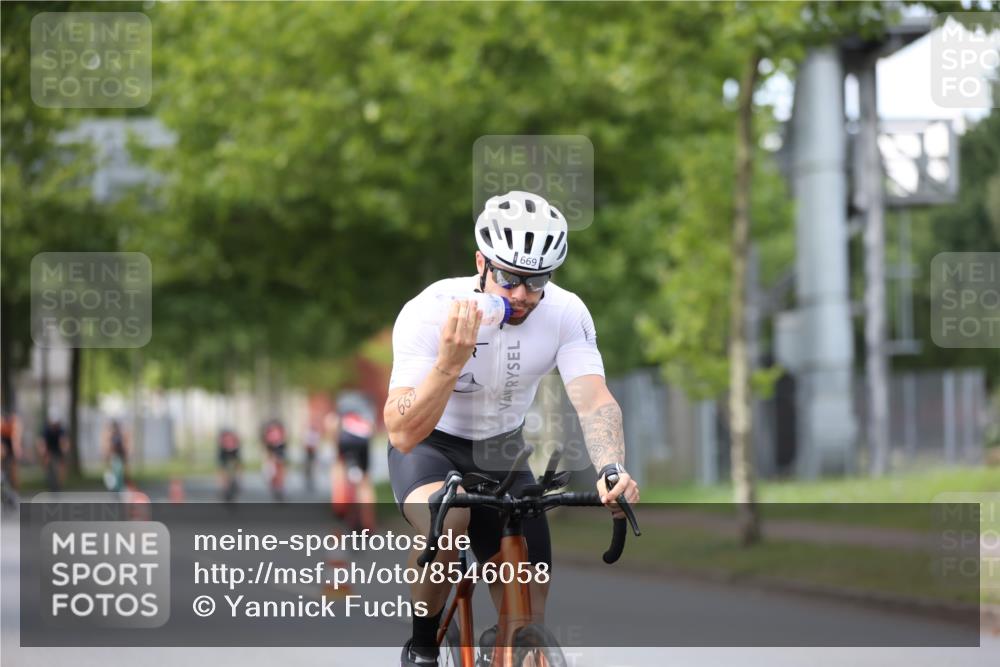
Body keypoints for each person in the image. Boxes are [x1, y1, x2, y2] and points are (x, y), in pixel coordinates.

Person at [385, 191, 640, 666]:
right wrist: (448, 363)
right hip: (430, 446)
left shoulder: (566, 313)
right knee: (450, 523)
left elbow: (593, 397)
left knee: (526, 614)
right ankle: (422, 646)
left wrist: (611, 466)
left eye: (536, 280)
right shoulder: (431, 310)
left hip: (503, 452)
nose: (521, 294)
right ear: (481, 262)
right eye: (508, 277)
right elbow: (402, 431)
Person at [331, 405, 376, 530]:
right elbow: (372, 431)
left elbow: (332, 427)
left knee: (339, 468)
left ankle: (339, 506)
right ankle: (368, 522)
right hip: (363, 443)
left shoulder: (342, 415)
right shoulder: (365, 415)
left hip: (345, 442)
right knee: (365, 482)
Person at [37, 412, 69, 492]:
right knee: (49, 469)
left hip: (58, 451)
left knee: (60, 469)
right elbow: (42, 442)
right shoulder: (46, 430)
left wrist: (64, 452)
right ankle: (51, 484)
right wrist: (44, 454)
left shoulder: (61, 430)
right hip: (48, 451)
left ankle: (59, 486)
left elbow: (64, 442)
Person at [261, 418, 288, 500]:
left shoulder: (280, 440)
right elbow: (267, 447)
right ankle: (275, 485)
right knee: (271, 471)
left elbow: (282, 443)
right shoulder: (268, 436)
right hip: (271, 454)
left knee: (279, 470)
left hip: (279, 452)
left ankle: (279, 486)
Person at [102, 420, 130, 492]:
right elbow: (108, 447)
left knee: (119, 472)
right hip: (113, 456)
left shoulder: (120, 435)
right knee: (114, 471)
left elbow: (124, 445)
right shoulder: (110, 435)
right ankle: (114, 486)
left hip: (120, 455)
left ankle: (119, 486)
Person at [1, 410, 22, 504]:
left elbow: (15, 439)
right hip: (4, 453)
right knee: (5, 475)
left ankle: (13, 494)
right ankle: (8, 494)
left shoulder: (13, 426)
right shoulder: (3, 426)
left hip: (10, 454)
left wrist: (16, 451)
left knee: (12, 475)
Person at [217, 428, 242, 501]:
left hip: (234, 466)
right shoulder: (222, 452)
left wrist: (239, 476)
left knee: (235, 474)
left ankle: (234, 485)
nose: (228, 443)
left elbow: (238, 464)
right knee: (224, 475)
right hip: (225, 466)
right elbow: (221, 467)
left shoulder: (236, 449)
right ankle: (226, 489)